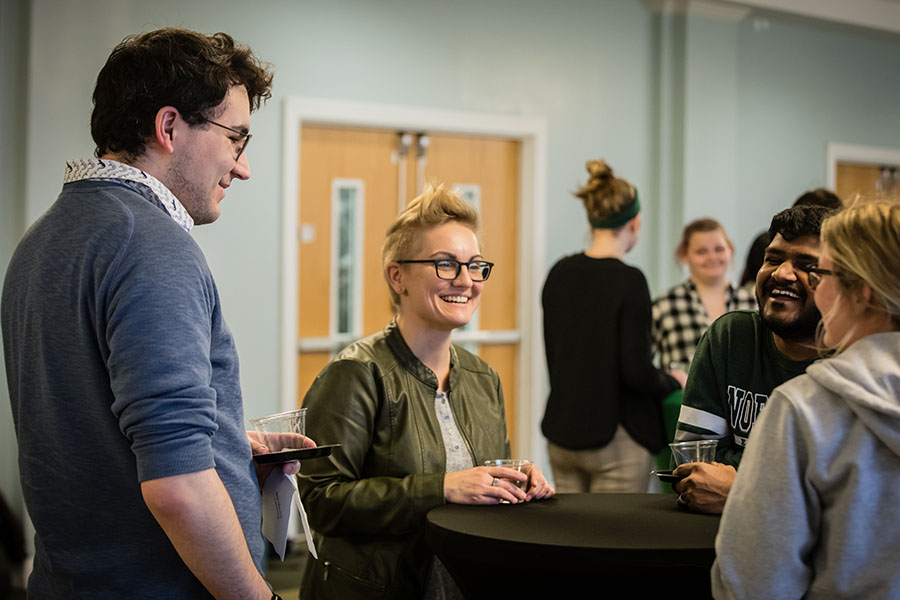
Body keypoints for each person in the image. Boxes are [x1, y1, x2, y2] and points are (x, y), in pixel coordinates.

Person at [1, 29, 312, 599]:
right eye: (236, 138)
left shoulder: (42, 239)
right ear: (169, 127)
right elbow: (179, 488)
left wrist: (222, 445)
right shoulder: (150, 244)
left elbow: (91, 429)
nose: (242, 168)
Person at [296, 184, 554, 599]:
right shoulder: (356, 373)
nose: (466, 281)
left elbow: (475, 481)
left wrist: (515, 479)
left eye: (474, 265)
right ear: (397, 276)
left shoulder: (483, 377)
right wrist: (442, 488)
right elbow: (321, 500)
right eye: (445, 265)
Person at [712, 199, 900, 598]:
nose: (808, 283)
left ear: (861, 292)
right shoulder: (732, 338)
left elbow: (755, 581)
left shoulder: (806, 409)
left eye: (820, 272)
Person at [672, 204, 833, 513]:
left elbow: (843, 497)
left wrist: (739, 484)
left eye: (806, 264)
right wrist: (781, 478)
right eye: (773, 258)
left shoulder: (852, 360)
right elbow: (688, 465)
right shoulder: (730, 337)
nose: (782, 273)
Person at [541, 159, 684, 494]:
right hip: (615, 441)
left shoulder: (559, 273)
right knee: (609, 544)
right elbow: (634, 371)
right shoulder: (629, 281)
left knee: (566, 543)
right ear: (634, 223)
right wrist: (672, 379)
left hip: (562, 436)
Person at [652, 218, 756, 371]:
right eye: (701, 251)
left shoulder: (752, 303)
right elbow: (642, 366)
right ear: (684, 255)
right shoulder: (664, 305)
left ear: (730, 251)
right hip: (683, 395)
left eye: (719, 249)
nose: (712, 257)